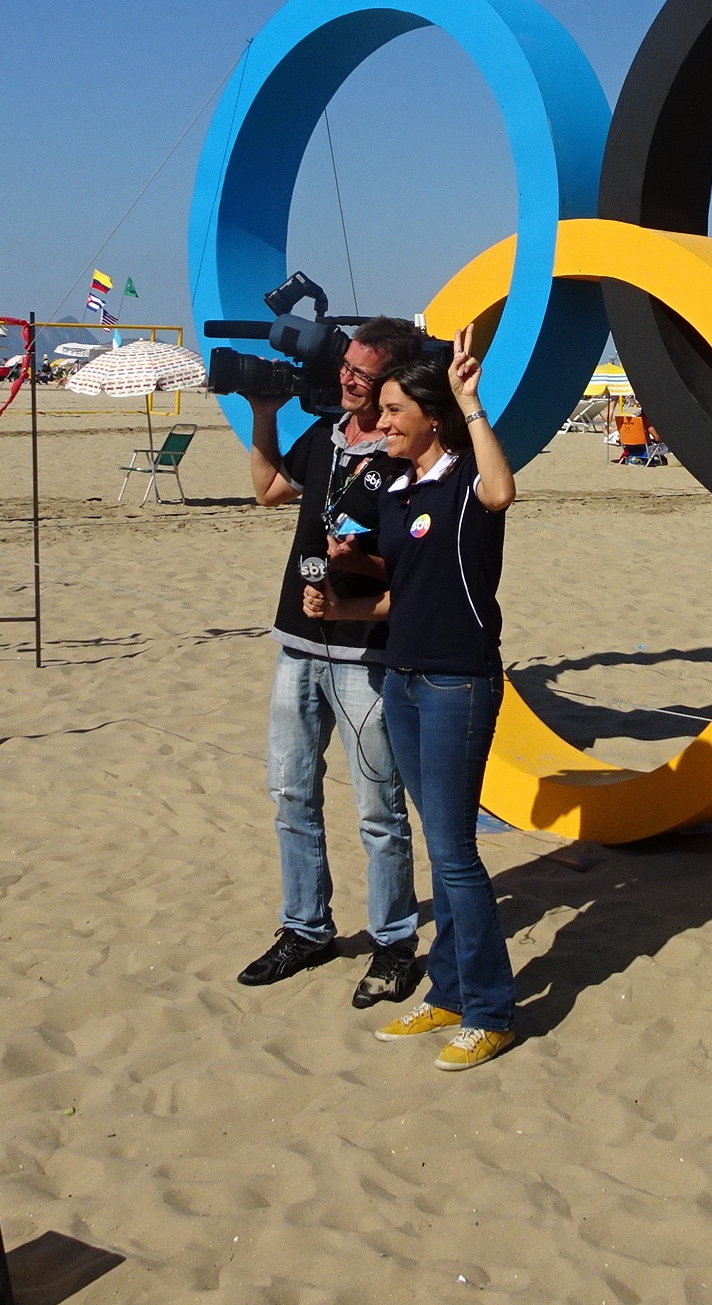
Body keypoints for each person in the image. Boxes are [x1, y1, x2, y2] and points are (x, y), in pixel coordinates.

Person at [305, 329, 522, 1071]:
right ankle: (451, 992)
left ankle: (490, 1009)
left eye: (396, 411)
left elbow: (502, 492)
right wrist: (344, 600)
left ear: (432, 417)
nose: (383, 422)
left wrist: (473, 403)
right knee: (442, 848)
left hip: (459, 680)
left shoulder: (464, 478)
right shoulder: (396, 494)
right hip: (401, 678)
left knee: (456, 854)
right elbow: (403, 593)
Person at [235, 317, 425, 1008]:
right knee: (290, 791)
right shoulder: (328, 437)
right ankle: (306, 929)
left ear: (393, 384)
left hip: (364, 651)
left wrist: (358, 562)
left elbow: (417, 569)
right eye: (345, 366)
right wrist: (262, 418)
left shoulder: (407, 457)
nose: (346, 378)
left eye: (364, 374)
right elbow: (268, 491)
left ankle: (395, 944)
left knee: (378, 806)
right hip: (297, 641)